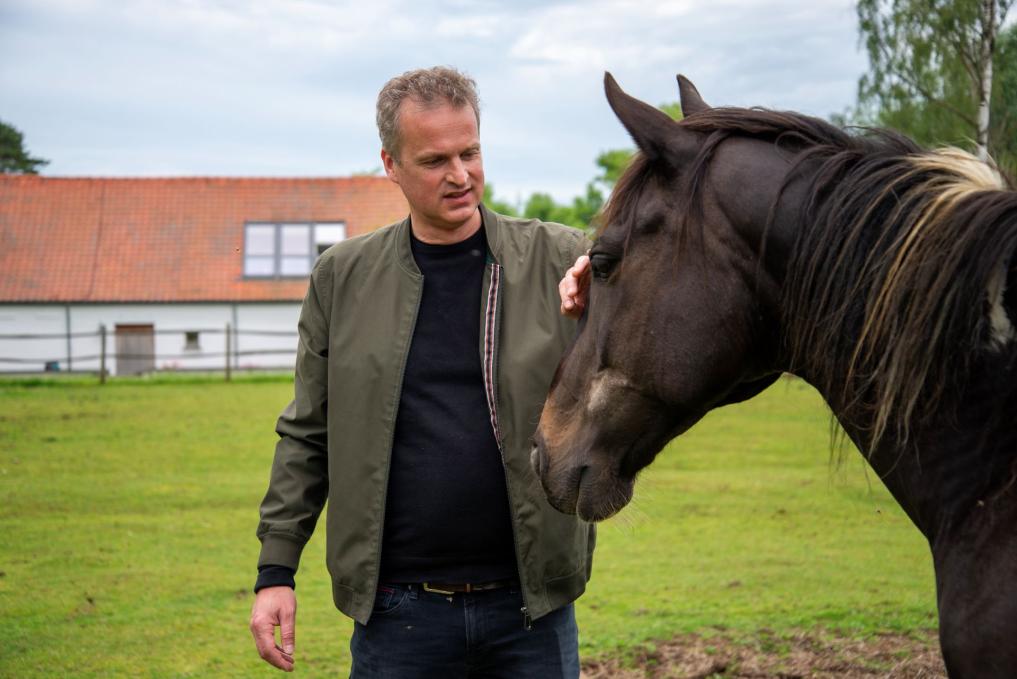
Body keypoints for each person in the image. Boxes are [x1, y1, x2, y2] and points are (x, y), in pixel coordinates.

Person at [249, 66, 595, 678]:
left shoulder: (563, 259)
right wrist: (276, 571)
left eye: (471, 152)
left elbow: (657, 298)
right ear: (391, 163)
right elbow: (308, 433)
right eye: (436, 160)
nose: (460, 175)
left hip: (530, 611)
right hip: (397, 614)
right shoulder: (342, 278)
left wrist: (608, 293)